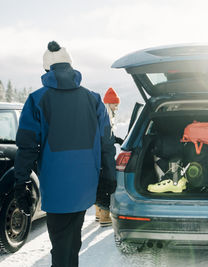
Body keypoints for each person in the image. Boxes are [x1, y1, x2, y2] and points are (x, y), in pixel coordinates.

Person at [13, 41, 116, 267]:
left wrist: (21, 183)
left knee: (60, 246)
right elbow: (107, 143)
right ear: (70, 66)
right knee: (72, 243)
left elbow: (27, 146)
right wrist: (108, 178)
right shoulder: (94, 99)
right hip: (85, 187)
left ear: (47, 70)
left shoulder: (37, 99)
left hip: (56, 187)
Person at [95, 87, 122, 227]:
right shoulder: (106, 116)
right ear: (108, 103)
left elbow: (106, 135)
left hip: (99, 154)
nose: (117, 108)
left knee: (99, 180)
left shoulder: (104, 115)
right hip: (105, 155)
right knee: (108, 181)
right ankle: (105, 216)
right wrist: (112, 143)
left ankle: (98, 213)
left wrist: (116, 139)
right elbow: (105, 139)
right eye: (115, 104)